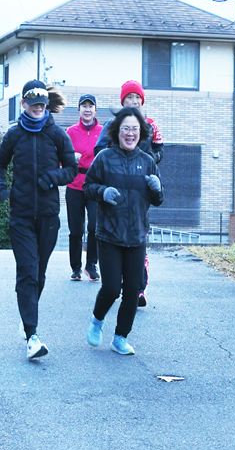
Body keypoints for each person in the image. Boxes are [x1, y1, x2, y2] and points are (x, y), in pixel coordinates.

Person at [0, 80, 77, 361]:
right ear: (24, 105)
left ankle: (27, 315)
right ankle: (32, 335)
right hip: (21, 215)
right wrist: (0, 188)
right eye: (33, 104)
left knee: (39, 274)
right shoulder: (15, 135)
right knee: (27, 272)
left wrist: (52, 178)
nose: (38, 109)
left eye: (42, 104)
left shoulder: (57, 135)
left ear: (45, 106)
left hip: (49, 216)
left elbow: (72, 170)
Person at [84, 107, 164, 355]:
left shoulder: (147, 161)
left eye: (135, 129)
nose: (130, 133)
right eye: (126, 128)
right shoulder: (105, 158)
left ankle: (120, 337)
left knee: (133, 289)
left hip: (137, 235)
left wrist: (157, 188)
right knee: (111, 288)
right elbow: (88, 187)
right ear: (117, 131)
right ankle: (97, 320)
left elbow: (159, 199)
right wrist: (102, 192)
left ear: (141, 133)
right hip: (109, 234)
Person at [94, 80, 163, 306]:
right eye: (129, 98)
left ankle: (138, 288)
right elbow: (99, 150)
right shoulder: (113, 125)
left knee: (139, 238)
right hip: (116, 187)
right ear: (122, 102)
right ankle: (117, 284)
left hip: (140, 189)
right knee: (116, 239)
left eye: (137, 98)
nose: (133, 102)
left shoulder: (150, 125)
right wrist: (115, 162)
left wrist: (150, 166)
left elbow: (159, 151)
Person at [65, 93, 103, 282]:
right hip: (74, 185)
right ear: (79, 109)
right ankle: (76, 268)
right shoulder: (70, 132)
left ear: (95, 109)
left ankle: (91, 265)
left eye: (91, 106)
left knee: (95, 226)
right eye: (84, 106)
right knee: (76, 230)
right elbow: (61, 157)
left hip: (94, 184)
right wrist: (72, 157)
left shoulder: (103, 131)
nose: (87, 109)